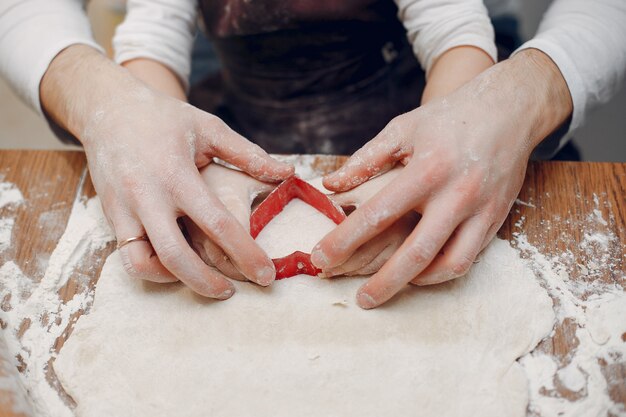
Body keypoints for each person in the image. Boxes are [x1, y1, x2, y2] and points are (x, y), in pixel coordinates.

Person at [1, 1, 625, 308]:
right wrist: (159, 139)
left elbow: (456, 34)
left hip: (412, 127)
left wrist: (439, 154)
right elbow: (151, 42)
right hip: (251, 131)